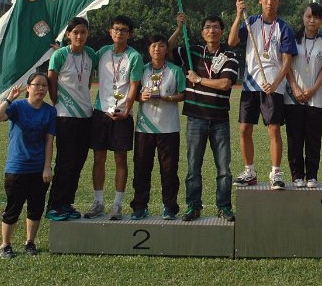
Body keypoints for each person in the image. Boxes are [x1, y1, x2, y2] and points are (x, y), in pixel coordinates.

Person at [169, 14, 239, 222]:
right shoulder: (193, 51)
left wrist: (198, 79)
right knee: (193, 167)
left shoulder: (229, 55)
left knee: (224, 169)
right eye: (207, 27)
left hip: (219, 120)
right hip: (195, 118)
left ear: (222, 31)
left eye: (216, 27)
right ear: (202, 32)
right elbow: (167, 50)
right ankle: (193, 206)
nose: (211, 30)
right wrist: (178, 29)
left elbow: (225, 84)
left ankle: (224, 207)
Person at [229, 0, 298, 190]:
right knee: (244, 129)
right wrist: (238, 15)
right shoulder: (250, 22)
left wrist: (275, 84)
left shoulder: (284, 28)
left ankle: (276, 173)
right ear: (260, 0)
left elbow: (287, 61)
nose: (269, 2)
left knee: (274, 129)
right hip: (250, 85)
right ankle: (249, 171)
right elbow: (232, 41)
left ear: (279, 2)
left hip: (272, 87)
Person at [0, 72, 57, 258]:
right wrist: (9, 99)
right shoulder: (17, 106)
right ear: (28, 87)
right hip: (17, 167)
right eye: (37, 85)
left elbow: (49, 141)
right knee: (13, 207)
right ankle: (5, 245)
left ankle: (30, 242)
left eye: (44, 85)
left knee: (36, 208)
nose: (41, 89)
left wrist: (47, 167)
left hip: (38, 168)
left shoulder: (50, 111)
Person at [84, 15, 143, 220]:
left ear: (130, 34)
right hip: (101, 112)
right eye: (116, 29)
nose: (119, 33)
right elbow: (83, 59)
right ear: (110, 32)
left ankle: (117, 204)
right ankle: (98, 202)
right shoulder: (102, 52)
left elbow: (134, 85)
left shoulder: (134, 56)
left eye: (124, 30)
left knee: (120, 159)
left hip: (121, 114)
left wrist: (127, 109)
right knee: (98, 158)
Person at [45, 17, 99, 222]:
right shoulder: (59, 55)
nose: (79, 36)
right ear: (68, 34)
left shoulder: (90, 54)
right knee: (65, 162)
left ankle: (67, 203)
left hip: (85, 116)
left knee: (78, 162)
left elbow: (88, 81)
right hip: (65, 116)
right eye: (75, 32)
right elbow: (52, 82)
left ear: (87, 34)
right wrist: (59, 103)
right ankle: (54, 205)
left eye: (83, 32)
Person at [131, 34, 185, 220]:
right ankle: (140, 206)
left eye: (161, 46)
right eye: (153, 46)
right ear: (148, 49)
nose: (157, 49)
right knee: (141, 169)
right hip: (144, 128)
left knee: (169, 170)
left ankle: (169, 207)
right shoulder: (141, 69)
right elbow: (133, 93)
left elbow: (183, 94)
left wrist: (168, 97)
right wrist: (140, 97)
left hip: (168, 128)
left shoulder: (175, 70)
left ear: (166, 49)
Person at [284, 3, 322, 188]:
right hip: (293, 97)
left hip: (315, 98)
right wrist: (294, 88)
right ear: (303, 17)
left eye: (316, 17)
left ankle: (312, 175)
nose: (312, 20)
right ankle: (297, 175)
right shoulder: (293, 39)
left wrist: (314, 89)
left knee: (313, 138)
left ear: (320, 20)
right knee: (295, 138)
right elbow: (286, 65)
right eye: (309, 16)